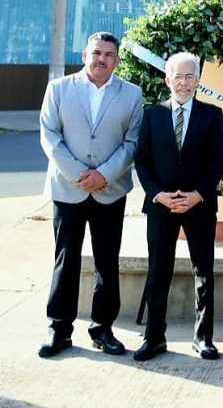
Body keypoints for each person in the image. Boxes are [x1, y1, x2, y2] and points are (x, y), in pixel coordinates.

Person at [38, 31, 143, 358]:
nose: (102, 59)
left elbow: (132, 143)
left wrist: (104, 176)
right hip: (68, 189)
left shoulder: (132, 94)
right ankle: (59, 329)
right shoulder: (59, 88)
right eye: (96, 53)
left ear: (117, 60)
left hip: (110, 192)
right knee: (65, 260)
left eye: (109, 54)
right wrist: (80, 175)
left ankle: (103, 329)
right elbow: (50, 136)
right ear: (85, 55)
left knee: (107, 262)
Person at [133, 53, 223, 362]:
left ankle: (203, 338)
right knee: (159, 271)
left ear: (198, 80)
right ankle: (154, 337)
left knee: (204, 272)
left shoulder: (212, 115)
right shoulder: (152, 114)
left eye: (190, 77)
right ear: (167, 79)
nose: (184, 82)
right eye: (178, 76)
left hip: (199, 205)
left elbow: (219, 162)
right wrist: (157, 194)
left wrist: (198, 194)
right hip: (161, 206)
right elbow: (142, 160)